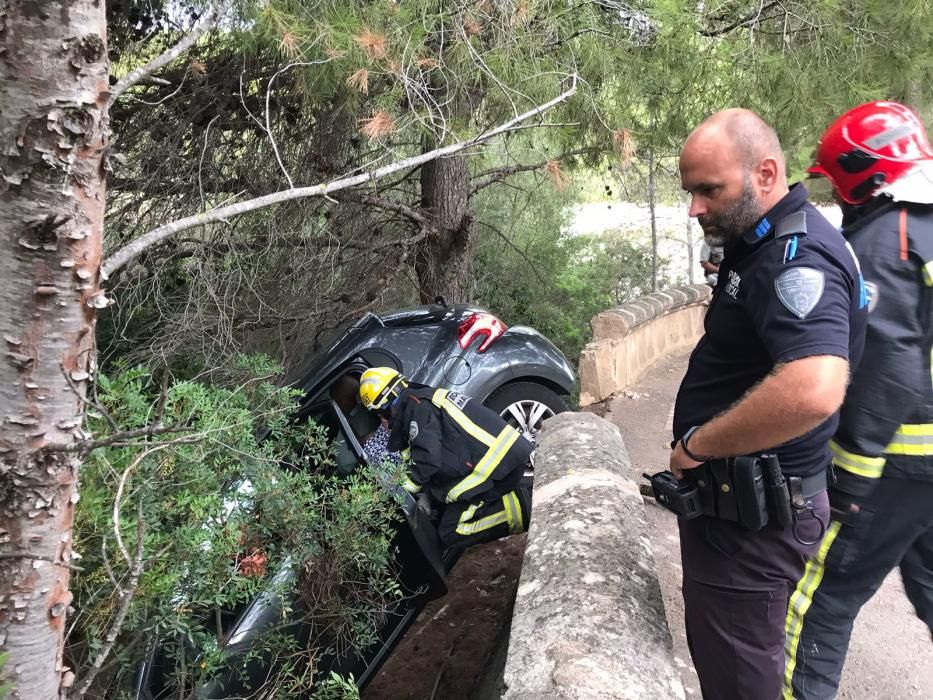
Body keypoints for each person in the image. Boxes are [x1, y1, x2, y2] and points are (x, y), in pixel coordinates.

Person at [669, 109, 868, 700]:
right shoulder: (761, 244)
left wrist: (696, 446)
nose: (695, 208)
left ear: (766, 172)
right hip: (740, 511)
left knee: (739, 681)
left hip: (749, 523)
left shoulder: (796, 259)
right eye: (690, 191)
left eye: (709, 190)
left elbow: (814, 385)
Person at [783, 101, 933, 699]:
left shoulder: (882, 238)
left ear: (857, 173)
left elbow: (889, 369)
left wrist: (846, 479)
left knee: (816, 598)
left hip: (901, 460)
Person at [359, 366, 532, 548]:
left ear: (388, 406)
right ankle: (515, 498)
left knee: (450, 531)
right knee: (447, 508)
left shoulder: (418, 410)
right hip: (503, 460)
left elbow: (427, 458)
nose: (382, 420)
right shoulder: (421, 399)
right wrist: (425, 494)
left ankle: (520, 509)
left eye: (380, 413)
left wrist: (405, 490)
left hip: (499, 468)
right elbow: (426, 450)